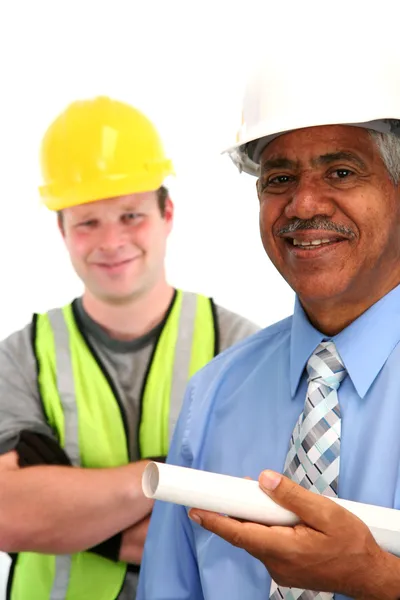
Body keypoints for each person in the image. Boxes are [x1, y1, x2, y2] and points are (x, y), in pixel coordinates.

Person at [137, 46, 400, 600]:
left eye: (342, 171)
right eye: (279, 179)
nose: (303, 204)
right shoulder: (215, 394)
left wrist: (377, 579)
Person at [0, 95, 260, 600]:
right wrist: (171, 478)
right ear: (62, 230)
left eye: (130, 215)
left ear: (167, 213)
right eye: (88, 221)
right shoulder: (22, 357)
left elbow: (252, 525)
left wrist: (68, 504)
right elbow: (9, 512)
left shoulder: (242, 348)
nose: (111, 241)